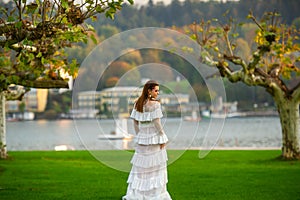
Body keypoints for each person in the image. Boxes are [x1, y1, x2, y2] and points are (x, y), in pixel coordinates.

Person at [122, 80, 172, 200]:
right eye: (155, 90)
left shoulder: (137, 103)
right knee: (155, 166)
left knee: (141, 168)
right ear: (149, 91)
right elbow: (157, 123)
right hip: (154, 139)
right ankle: (154, 194)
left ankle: (140, 194)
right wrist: (163, 137)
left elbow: (135, 122)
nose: (157, 93)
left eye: (158, 91)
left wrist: (140, 135)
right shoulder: (155, 105)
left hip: (142, 139)